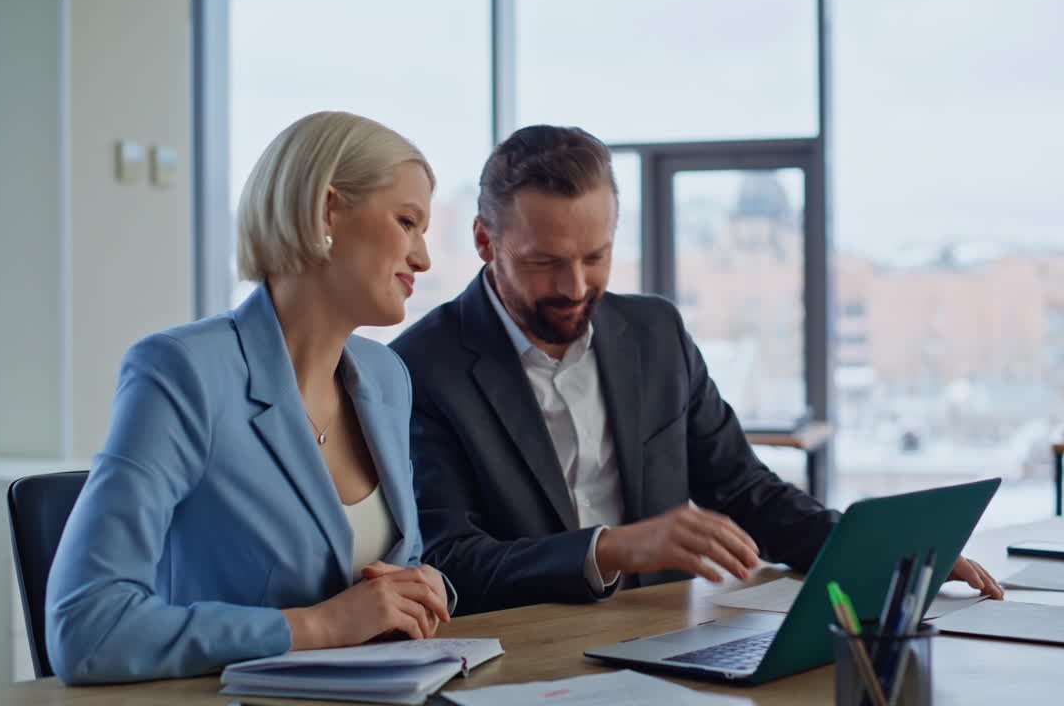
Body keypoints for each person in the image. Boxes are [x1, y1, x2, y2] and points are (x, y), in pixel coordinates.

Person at [390, 125, 1003, 616]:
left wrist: (882, 555)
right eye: (545, 262)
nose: (575, 287)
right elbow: (450, 563)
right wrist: (612, 547)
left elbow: (746, 492)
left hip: (669, 634)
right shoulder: (420, 368)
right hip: (527, 660)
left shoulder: (655, 333)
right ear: (484, 241)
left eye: (596, 257)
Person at [46, 112, 453, 684]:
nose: (423, 258)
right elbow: (86, 629)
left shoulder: (387, 377)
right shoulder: (182, 371)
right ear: (327, 211)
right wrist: (315, 627)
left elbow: (380, 577)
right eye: (407, 222)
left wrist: (418, 588)